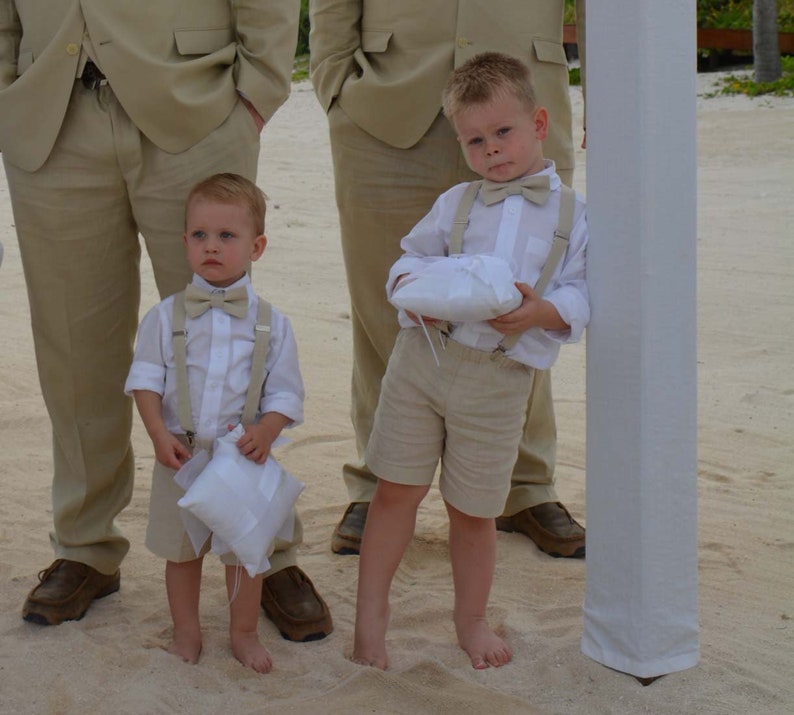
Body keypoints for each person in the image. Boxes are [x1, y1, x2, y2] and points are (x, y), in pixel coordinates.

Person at [1, 1, 331, 640]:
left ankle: (268, 547)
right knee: (73, 352)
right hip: (48, 117)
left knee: (231, 348)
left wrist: (254, 94)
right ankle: (85, 545)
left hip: (198, 110)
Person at [309, 0, 588, 560]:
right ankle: (379, 478)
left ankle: (525, 483)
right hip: (383, 109)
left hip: (525, 94)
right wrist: (336, 85)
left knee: (528, 301)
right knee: (384, 304)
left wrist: (606, 94)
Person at [353, 52, 589, 670]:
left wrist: (542, 313)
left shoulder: (574, 216)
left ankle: (472, 621)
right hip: (423, 361)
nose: (491, 151)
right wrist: (419, 296)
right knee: (395, 492)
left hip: (500, 380)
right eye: (475, 140)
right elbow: (408, 262)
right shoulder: (457, 202)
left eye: (503, 133)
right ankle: (370, 622)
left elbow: (584, 294)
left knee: (474, 510)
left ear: (539, 123)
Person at [126, 173, 313, 672]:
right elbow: (144, 380)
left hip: (241, 458)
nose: (212, 247)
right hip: (180, 455)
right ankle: (186, 631)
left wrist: (268, 430)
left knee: (243, 556)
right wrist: (158, 434)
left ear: (257, 247)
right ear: (185, 242)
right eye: (200, 236)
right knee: (181, 553)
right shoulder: (165, 317)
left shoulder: (273, 324)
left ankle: (244, 632)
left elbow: (286, 393)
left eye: (227, 236)